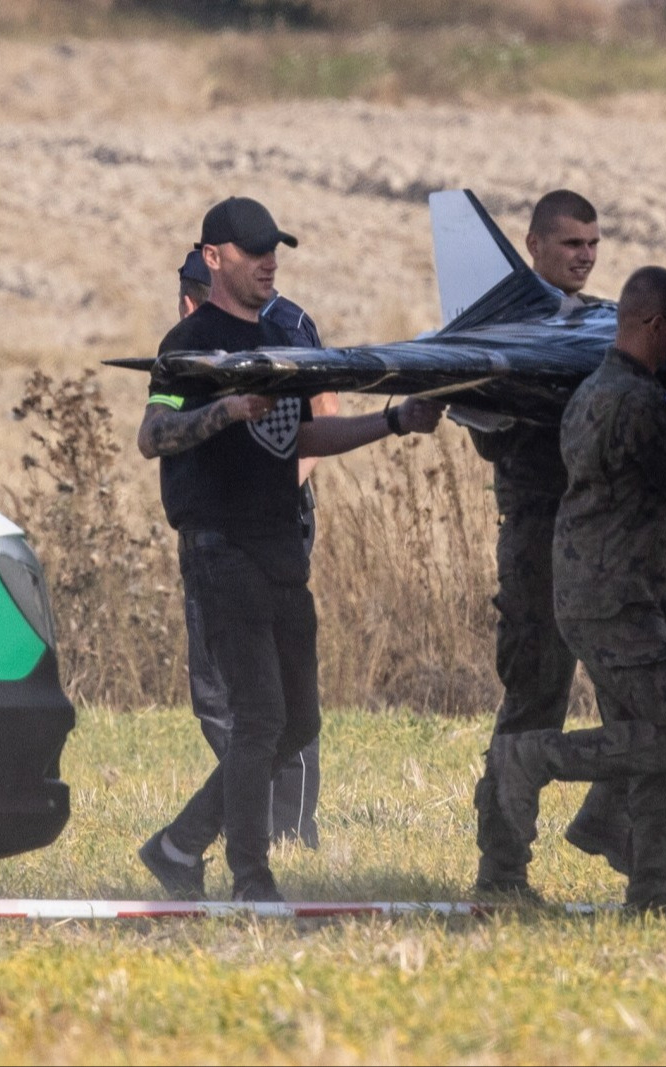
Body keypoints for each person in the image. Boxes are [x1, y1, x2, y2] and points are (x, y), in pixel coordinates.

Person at [137, 196, 444, 903]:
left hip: (280, 546)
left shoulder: (285, 338)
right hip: (220, 547)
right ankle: (252, 876)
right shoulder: (190, 347)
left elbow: (300, 438)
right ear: (214, 258)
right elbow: (154, 435)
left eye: (274, 247)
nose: (269, 261)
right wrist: (223, 409)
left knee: (299, 718)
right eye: (252, 250)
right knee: (260, 716)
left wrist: (394, 420)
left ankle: (179, 843)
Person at [485, 265, 666, 912]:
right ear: (653, 325)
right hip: (611, 594)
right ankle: (535, 758)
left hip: (626, 582)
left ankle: (646, 878)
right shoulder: (634, 404)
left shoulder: (598, 389)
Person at [468, 189, 631, 898]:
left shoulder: (591, 323)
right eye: (571, 245)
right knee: (538, 695)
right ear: (532, 244)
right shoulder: (510, 327)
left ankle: (606, 815)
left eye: (593, 244)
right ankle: (502, 870)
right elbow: (482, 426)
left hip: (607, 533)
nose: (586, 257)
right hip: (539, 535)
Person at [176, 249, 339, 850]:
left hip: (270, 528)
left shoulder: (288, 328)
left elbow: (323, 419)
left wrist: (266, 493)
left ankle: (286, 829)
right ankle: (246, 823)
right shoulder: (202, 339)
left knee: (269, 696)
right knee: (225, 693)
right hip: (221, 528)